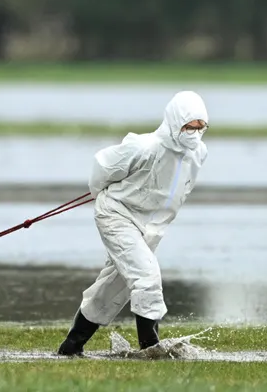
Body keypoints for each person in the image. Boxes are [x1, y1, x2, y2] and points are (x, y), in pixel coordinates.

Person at [56, 90, 210, 356]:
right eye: (189, 127)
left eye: (200, 127)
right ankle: (151, 350)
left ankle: (70, 347)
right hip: (116, 215)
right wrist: (103, 196)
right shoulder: (145, 146)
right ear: (175, 122)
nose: (194, 133)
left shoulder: (197, 153)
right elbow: (102, 169)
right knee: (147, 277)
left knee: (112, 288)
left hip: (149, 228)